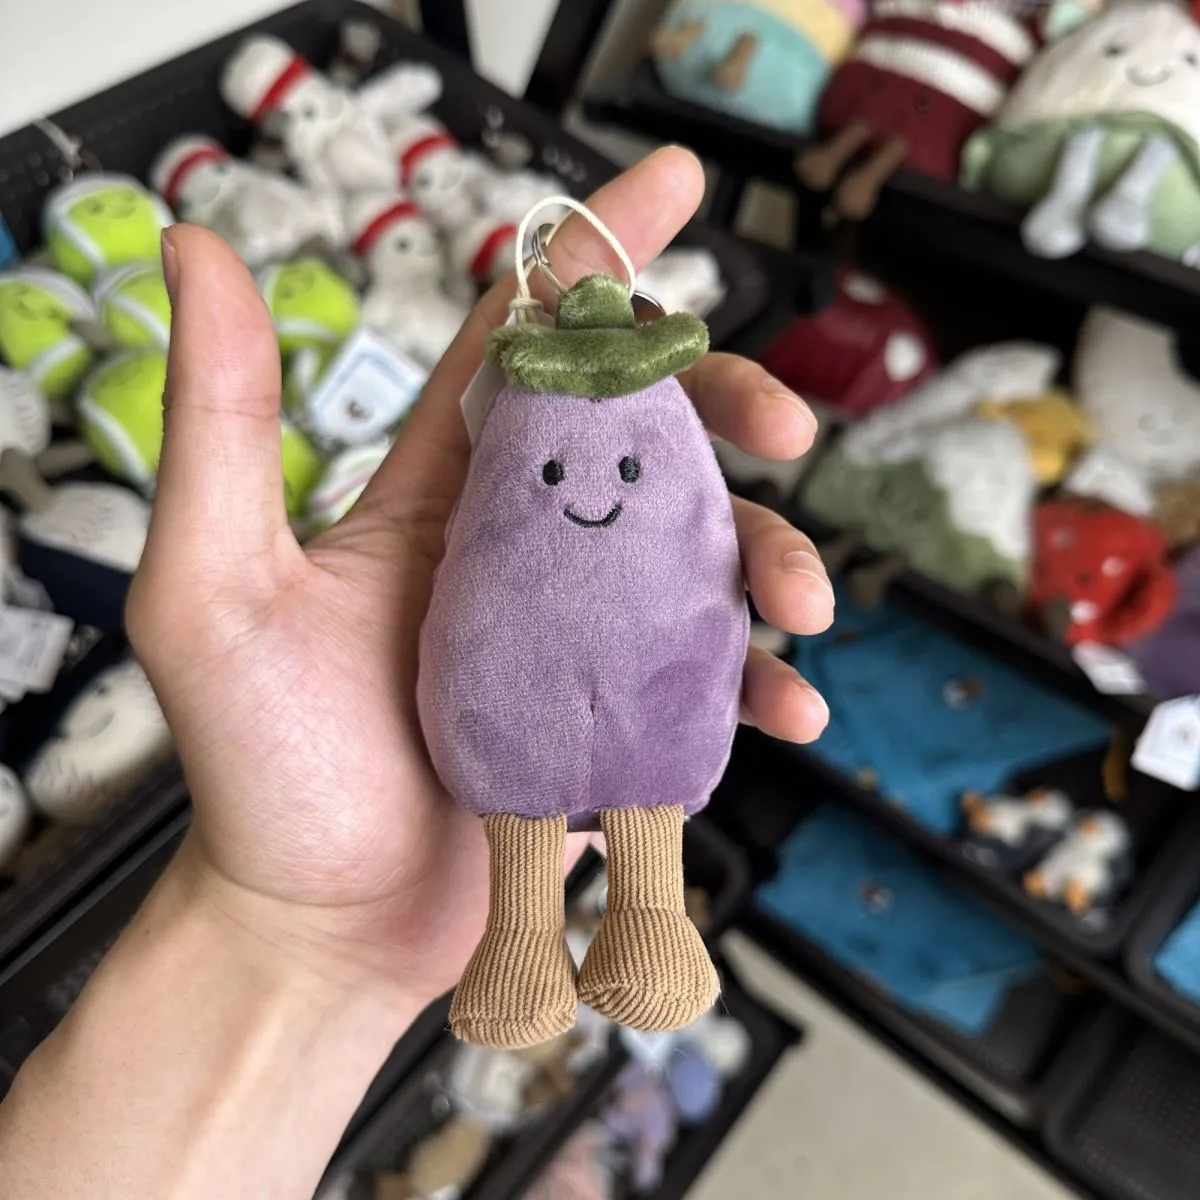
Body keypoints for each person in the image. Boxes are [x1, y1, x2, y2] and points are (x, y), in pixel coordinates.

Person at [0, 148, 833, 1197]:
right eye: (560, 473)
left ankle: (649, 922)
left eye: (627, 471)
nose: (593, 491)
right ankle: (522, 945)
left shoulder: (639, 431)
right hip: (515, 739)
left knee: (641, 792)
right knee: (538, 811)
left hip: (646, 724)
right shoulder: (518, 436)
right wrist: (298, 944)